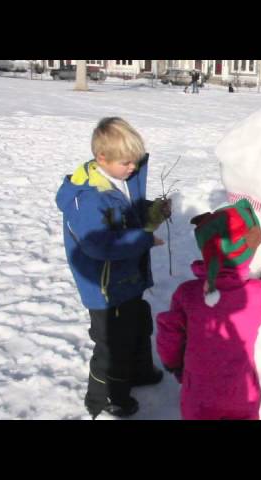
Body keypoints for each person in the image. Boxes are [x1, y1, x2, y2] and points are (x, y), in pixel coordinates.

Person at [56, 117, 172, 419]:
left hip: (127, 279)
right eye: (126, 163)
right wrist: (142, 239)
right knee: (112, 345)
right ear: (101, 158)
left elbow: (128, 213)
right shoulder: (87, 199)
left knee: (139, 324)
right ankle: (106, 398)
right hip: (106, 288)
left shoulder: (118, 178)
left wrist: (150, 211)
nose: (132, 168)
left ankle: (139, 371)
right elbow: (100, 244)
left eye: (135, 161)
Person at [156, 199, 261, 420]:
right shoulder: (256, 292)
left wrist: (173, 363)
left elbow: (169, 333)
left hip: (198, 390)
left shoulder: (187, 293)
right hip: (241, 392)